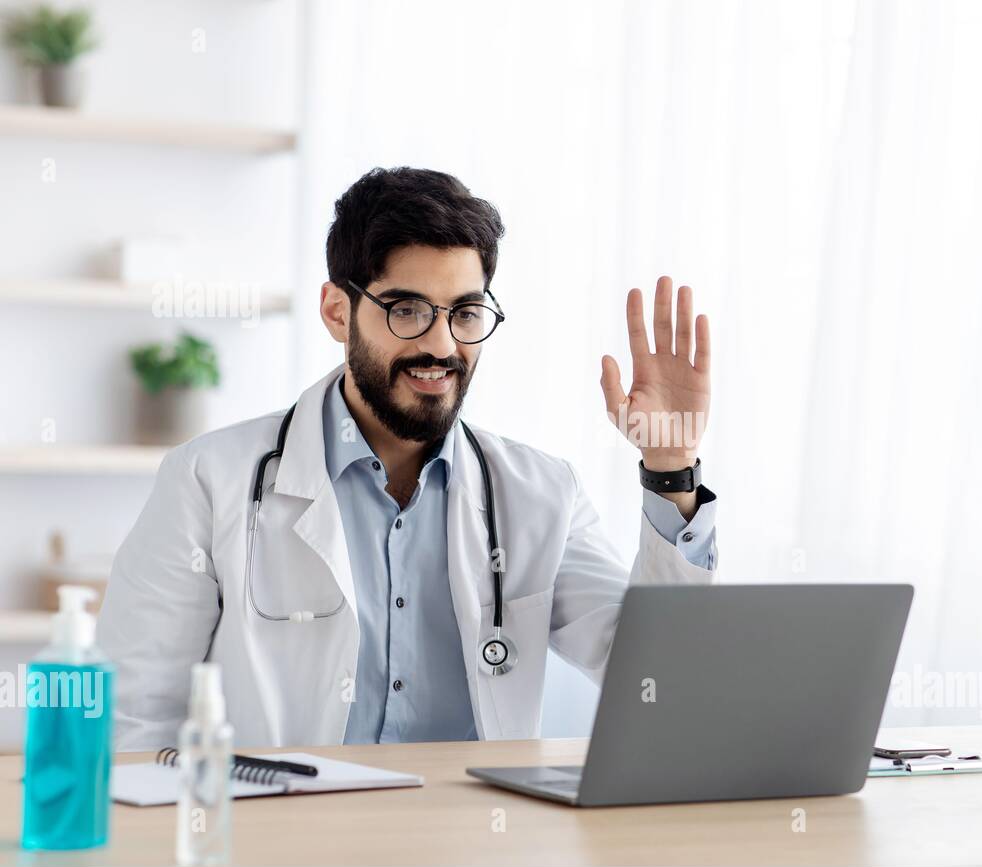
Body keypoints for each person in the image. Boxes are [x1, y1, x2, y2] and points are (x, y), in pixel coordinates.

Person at [97, 167, 718, 750]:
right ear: (338, 311)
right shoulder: (209, 482)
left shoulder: (539, 492)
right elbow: (136, 719)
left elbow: (657, 681)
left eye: (466, 312)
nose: (441, 345)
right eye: (408, 310)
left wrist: (671, 468)